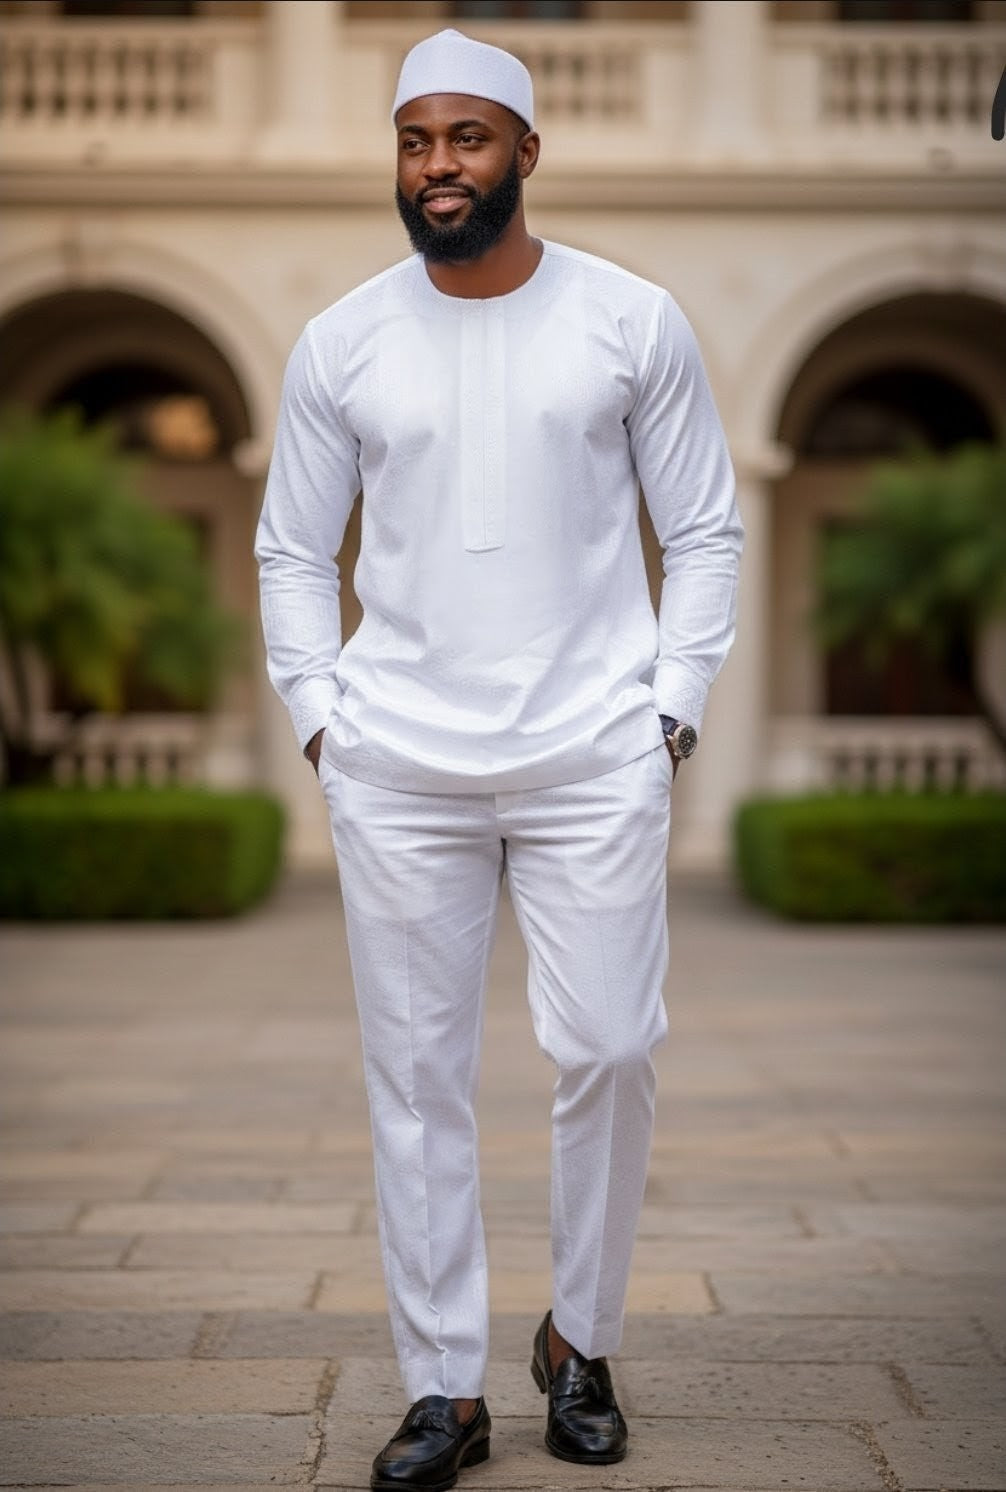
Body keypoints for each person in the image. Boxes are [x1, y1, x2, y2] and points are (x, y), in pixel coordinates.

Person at [255, 28, 742, 1491]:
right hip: (396, 759)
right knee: (416, 1078)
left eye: (466, 140)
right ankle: (441, 1390)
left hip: (592, 749)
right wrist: (323, 721)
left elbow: (705, 528)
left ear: (525, 150)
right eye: (414, 142)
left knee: (606, 1047)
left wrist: (670, 710)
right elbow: (291, 547)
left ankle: (577, 1342)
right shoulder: (342, 337)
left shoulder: (631, 319)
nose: (437, 168)